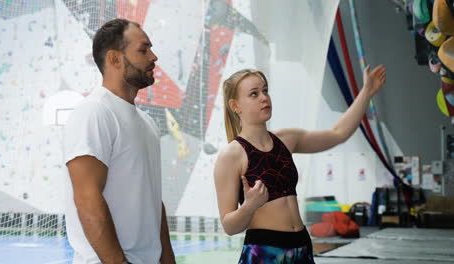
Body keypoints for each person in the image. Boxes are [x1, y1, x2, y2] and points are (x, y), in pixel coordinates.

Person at [214, 66, 386, 263]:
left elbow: (338, 134)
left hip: (301, 246)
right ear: (235, 106)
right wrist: (249, 207)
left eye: (265, 90)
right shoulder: (232, 155)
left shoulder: (286, 140)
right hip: (266, 252)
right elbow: (229, 226)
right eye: (254, 94)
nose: (264, 97)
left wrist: (367, 92)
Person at [64, 18, 176, 264]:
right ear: (115, 59)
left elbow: (153, 202)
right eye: (143, 49)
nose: (154, 57)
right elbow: (86, 198)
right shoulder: (94, 113)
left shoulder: (147, 123)